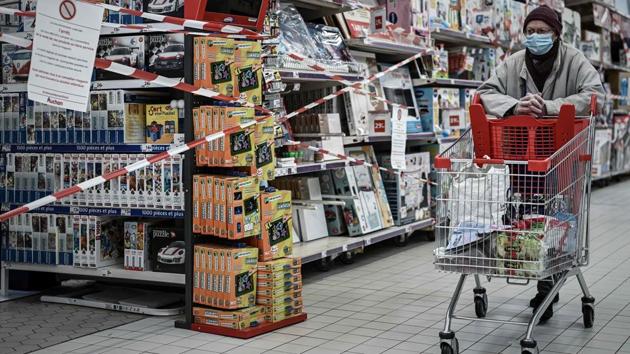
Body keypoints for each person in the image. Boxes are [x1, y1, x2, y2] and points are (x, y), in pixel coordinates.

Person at [477, 5, 605, 322]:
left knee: (557, 217)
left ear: (556, 33)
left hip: (563, 157)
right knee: (527, 216)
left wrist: (549, 106)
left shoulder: (574, 60)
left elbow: (595, 96)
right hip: (522, 157)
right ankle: (544, 279)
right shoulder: (514, 63)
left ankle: (548, 282)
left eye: (542, 31)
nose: (536, 37)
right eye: (530, 31)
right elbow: (484, 93)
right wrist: (514, 105)